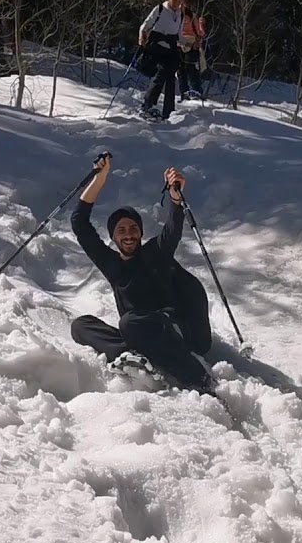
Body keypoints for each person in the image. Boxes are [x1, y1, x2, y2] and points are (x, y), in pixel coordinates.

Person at [69, 156, 215, 393]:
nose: (128, 234)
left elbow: (172, 230)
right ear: (113, 237)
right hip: (137, 333)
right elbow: (80, 223)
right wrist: (100, 178)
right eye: (121, 230)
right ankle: (132, 357)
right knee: (80, 325)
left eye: (133, 228)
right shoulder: (112, 265)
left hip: (172, 329)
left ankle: (200, 379)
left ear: (141, 232)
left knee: (130, 322)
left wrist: (175, 198)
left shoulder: (155, 253)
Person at [138, 0, 187, 121]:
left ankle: (169, 111)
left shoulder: (180, 14)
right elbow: (146, 25)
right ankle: (147, 105)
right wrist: (142, 37)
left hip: (171, 49)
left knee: (171, 77)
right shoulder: (160, 9)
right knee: (161, 73)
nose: (177, 3)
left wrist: (187, 44)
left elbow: (180, 34)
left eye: (179, 1)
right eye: (175, 0)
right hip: (156, 46)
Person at [176, 3, 207, 102]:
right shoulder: (192, 17)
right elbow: (200, 33)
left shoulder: (175, 17)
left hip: (182, 45)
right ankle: (195, 91)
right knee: (190, 70)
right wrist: (201, 24)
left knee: (184, 70)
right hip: (188, 45)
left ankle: (187, 92)